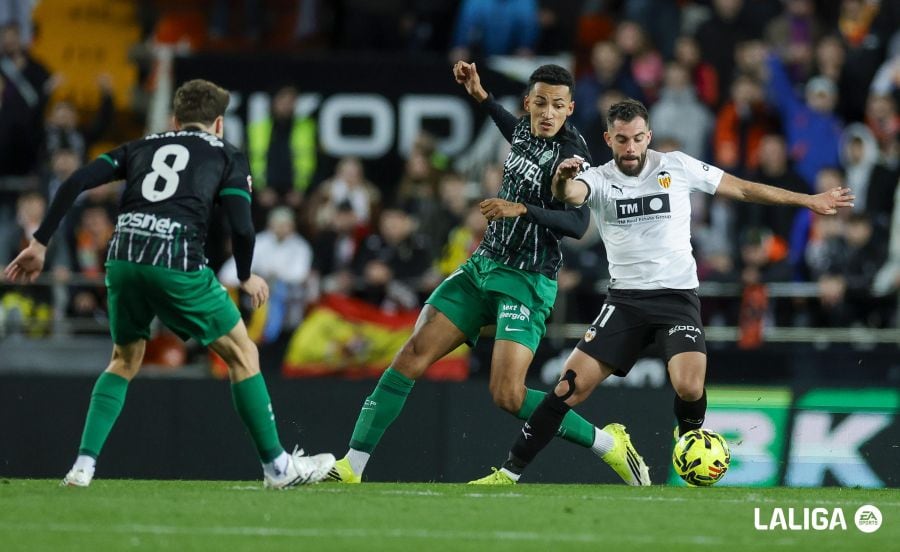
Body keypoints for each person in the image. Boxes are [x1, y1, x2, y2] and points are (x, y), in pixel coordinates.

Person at [470, 98, 854, 484]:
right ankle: (508, 473)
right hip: (625, 302)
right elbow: (569, 195)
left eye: (638, 138)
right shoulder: (597, 177)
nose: (631, 147)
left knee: (689, 385)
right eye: (622, 139)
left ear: (649, 136)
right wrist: (561, 179)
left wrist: (808, 200)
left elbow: (742, 189)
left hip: (676, 298)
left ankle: (688, 447)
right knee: (567, 388)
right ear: (608, 139)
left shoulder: (677, 166)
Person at [326, 63, 651, 486]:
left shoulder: (572, 156)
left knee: (508, 395)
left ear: (570, 108)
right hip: (482, 266)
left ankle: (607, 444)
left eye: (557, 105)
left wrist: (521, 209)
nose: (548, 113)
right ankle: (352, 466)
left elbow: (577, 224)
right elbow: (511, 128)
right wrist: (481, 95)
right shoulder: (524, 129)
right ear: (528, 104)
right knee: (410, 355)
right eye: (540, 103)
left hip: (526, 279)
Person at [3, 79, 335, 489]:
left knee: (124, 359)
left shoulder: (141, 146)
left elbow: (76, 181)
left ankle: (83, 467)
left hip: (123, 257)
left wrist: (39, 243)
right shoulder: (227, 154)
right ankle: (278, 468)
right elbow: (243, 227)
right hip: (176, 258)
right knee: (243, 352)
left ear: (175, 120)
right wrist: (245, 275)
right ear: (218, 124)